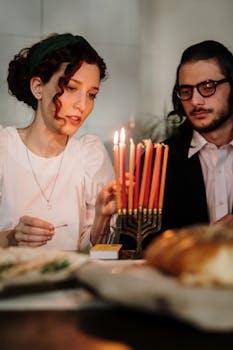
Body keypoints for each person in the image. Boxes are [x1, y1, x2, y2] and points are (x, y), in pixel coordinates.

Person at [0, 33, 116, 251]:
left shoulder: (89, 156)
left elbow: (96, 253)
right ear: (38, 88)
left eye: (92, 94)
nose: (82, 105)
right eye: (71, 88)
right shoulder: (4, 149)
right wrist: (11, 238)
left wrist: (102, 218)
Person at [161, 40, 233, 234]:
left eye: (208, 86)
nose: (195, 101)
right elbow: (137, 249)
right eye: (186, 91)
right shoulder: (159, 161)